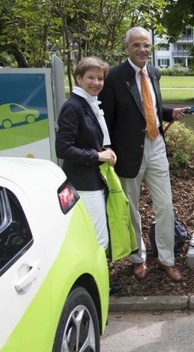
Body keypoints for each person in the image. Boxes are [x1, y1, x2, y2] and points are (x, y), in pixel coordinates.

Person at [99, 27, 188, 283]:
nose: (142, 50)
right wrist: (107, 148)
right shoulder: (114, 77)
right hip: (127, 152)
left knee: (165, 206)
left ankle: (166, 260)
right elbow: (107, 117)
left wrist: (170, 113)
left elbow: (151, 107)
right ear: (126, 47)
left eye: (146, 45)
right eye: (136, 45)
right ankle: (138, 258)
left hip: (156, 145)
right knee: (132, 209)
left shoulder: (155, 73)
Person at [56, 56, 116, 251]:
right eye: (91, 77)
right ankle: (99, 282)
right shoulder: (73, 107)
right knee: (98, 240)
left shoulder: (91, 103)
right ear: (79, 78)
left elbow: (91, 138)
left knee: (94, 237)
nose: (96, 83)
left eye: (100, 78)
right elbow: (63, 148)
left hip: (94, 179)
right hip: (83, 183)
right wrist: (98, 156)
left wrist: (107, 150)